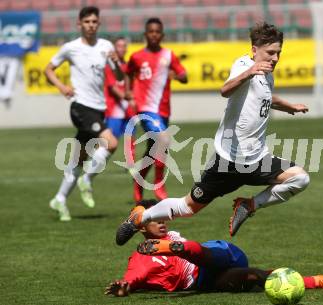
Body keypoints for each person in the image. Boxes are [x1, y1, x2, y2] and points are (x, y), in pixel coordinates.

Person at [115, 22, 309, 244]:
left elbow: (265, 98)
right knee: (188, 207)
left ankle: (248, 205)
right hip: (228, 161)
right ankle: (140, 217)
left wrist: (290, 106)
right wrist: (248, 72)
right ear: (255, 50)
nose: (274, 58)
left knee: (300, 178)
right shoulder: (244, 64)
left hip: (257, 159)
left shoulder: (268, 75)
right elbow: (225, 90)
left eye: (278, 53)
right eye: (270, 53)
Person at [106, 201, 323, 296]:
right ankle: (316, 281)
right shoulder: (143, 254)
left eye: (162, 217)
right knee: (253, 275)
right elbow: (133, 276)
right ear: (141, 229)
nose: (162, 222)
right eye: (153, 219)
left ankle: (182, 249)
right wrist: (124, 286)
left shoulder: (167, 236)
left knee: (204, 252)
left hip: (212, 256)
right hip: (203, 281)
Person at [46, 6, 123, 221]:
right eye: (87, 21)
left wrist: (116, 63)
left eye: (94, 21)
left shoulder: (106, 46)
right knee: (111, 143)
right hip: (80, 107)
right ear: (79, 24)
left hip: (98, 109)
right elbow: (48, 69)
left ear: (99, 24)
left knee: (79, 158)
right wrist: (62, 87)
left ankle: (59, 199)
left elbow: (118, 76)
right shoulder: (70, 48)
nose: (91, 25)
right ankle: (87, 180)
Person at [125, 17, 188, 202]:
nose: (154, 35)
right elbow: (128, 73)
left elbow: (184, 76)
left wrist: (177, 75)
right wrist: (129, 93)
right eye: (151, 31)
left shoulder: (169, 55)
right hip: (145, 108)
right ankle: (159, 185)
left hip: (163, 110)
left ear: (162, 35)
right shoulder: (136, 56)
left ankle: (138, 183)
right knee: (163, 140)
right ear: (145, 34)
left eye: (157, 32)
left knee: (154, 151)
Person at [104, 37, 136, 168]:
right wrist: (129, 99)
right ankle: (97, 163)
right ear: (114, 49)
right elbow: (113, 88)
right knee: (110, 142)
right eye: (119, 46)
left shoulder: (129, 67)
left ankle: (131, 166)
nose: (122, 49)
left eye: (124, 46)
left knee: (131, 140)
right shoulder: (109, 68)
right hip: (114, 110)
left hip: (129, 110)